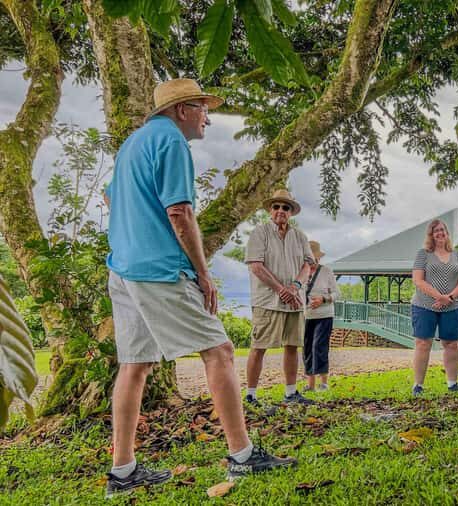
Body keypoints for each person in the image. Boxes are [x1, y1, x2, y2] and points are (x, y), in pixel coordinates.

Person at [104, 79, 295, 497]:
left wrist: (132, 232)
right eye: (203, 108)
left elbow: (110, 199)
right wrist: (203, 274)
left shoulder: (132, 144)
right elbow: (180, 212)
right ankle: (243, 455)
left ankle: (123, 472)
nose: (208, 117)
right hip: (157, 269)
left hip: (123, 268)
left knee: (134, 365)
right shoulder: (171, 141)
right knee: (220, 350)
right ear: (182, 110)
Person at [244, 189, 315, 406]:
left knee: (292, 346)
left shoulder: (300, 236)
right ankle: (251, 395)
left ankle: (291, 393)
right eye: (276, 206)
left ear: (291, 212)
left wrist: (295, 286)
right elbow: (256, 266)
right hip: (267, 301)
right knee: (259, 347)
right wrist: (281, 289)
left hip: (295, 301)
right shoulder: (260, 233)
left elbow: (308, 265)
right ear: (270, 210)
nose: (280, 210)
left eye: (285, 207)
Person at [410, 219, 458, 396]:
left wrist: (449, 298)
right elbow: (418, 280)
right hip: (424, 305)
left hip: (452, 306)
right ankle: (418, 385)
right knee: (423, 343)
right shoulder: (423, 254)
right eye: (435, 231)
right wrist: (439, 296)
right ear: (431, 235)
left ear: (447, 233)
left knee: (451, 344)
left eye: (442, 230)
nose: (440, 233)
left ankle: (452, 384)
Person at [302, 241, 338, 392]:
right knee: (307, 349)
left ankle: (323, 383)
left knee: (319, 347)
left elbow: (336, 293)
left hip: (324, 315)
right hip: (306, 316)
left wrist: (323, 299)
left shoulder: (326, 271)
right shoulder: (300, 272)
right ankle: (310, 384)